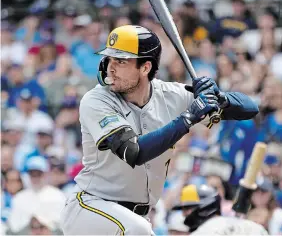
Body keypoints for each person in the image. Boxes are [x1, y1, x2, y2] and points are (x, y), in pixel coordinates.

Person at [60, 25, 258, 235]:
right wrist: (188, 118)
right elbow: (134, 151)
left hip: (138, 216)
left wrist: (220, 97)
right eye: (109, 59)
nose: (111, 67)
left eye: (121, 60)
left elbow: (249, 108)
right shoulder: (97, 100)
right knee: (139, 230)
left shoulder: (172, 95)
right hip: (92, 207)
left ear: (145, 68)